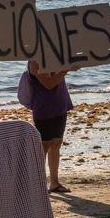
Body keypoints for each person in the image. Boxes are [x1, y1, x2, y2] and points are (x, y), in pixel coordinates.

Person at [22, 59, 74, 194]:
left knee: (56, 143)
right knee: (44, 146)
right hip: (44, 108)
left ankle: (54, 183)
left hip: (59, 106)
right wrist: (65, 70)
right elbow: (48, 84)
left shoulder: (56, 56)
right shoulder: (35, 61)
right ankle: (40, 184)